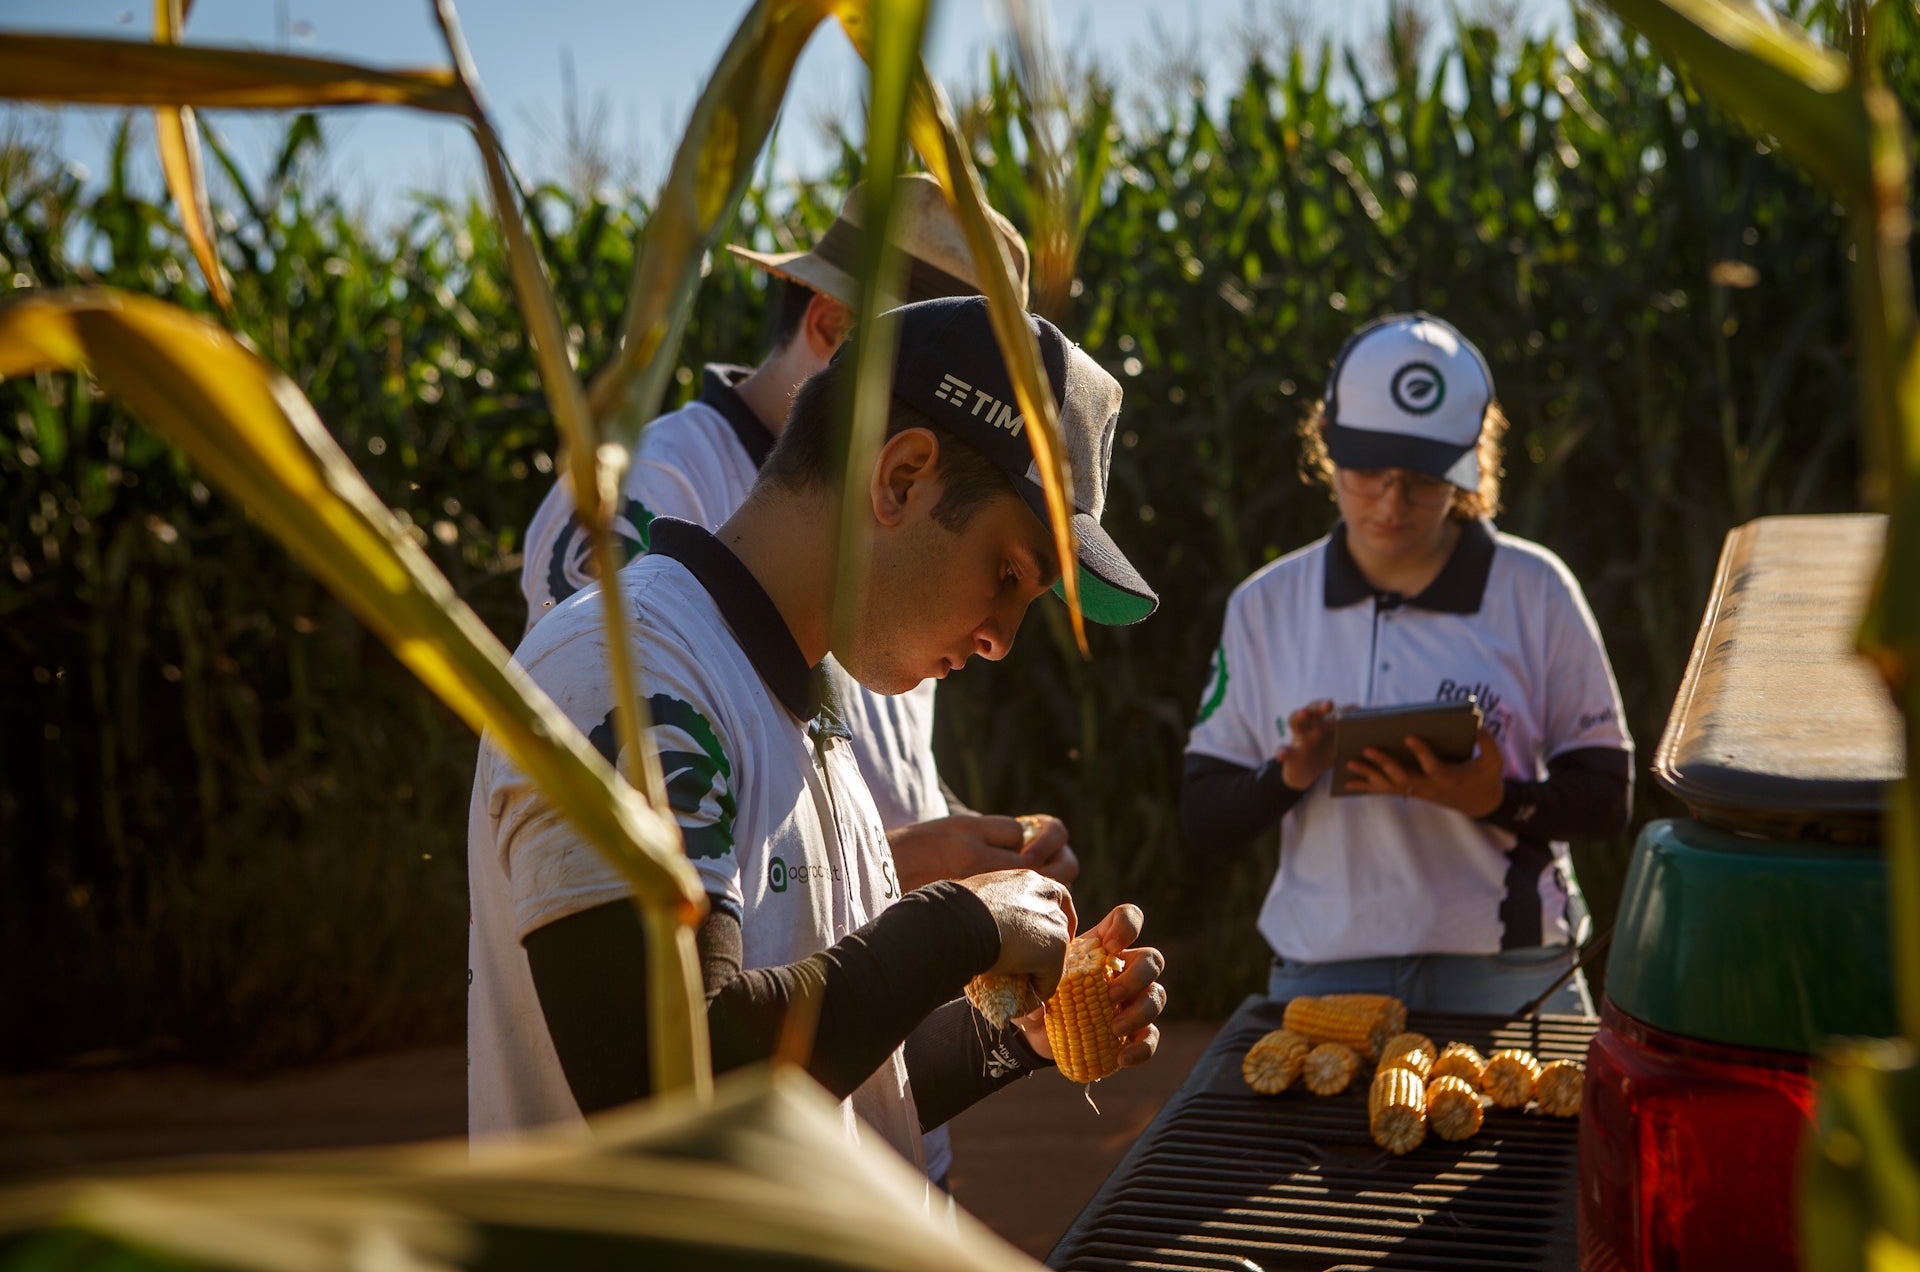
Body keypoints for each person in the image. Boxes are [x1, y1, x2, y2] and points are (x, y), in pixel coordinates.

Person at [469, 296, 1167, 1177]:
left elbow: (847, 1083)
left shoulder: (817, 704)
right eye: (1006, 574)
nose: (1000, 639)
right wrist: (955, 926)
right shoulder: (628, 669)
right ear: (902, 478)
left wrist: (1017, 1037)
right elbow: (662, 1083)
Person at [1181, 312, 1632, 1016]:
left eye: (1423, 478)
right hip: (1324, 972)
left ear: (1469, 464)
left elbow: (1609, 796)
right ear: (1325, 442)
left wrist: (1498, 799)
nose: (1391, 504)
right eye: (1366, 471)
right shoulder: (1266, 604)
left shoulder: (1535, 589)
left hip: (1512, 971)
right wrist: (1292, 773)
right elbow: (1204, 814)